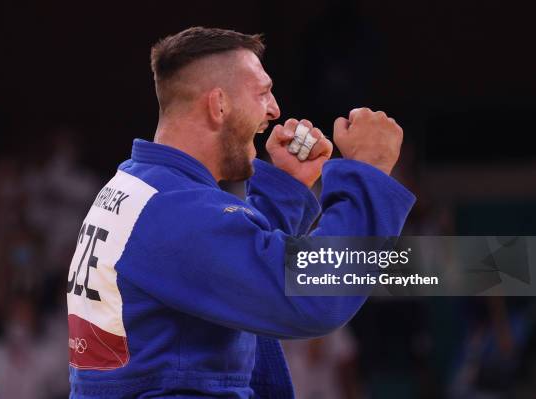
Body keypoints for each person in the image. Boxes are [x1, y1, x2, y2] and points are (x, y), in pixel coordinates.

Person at [67, 27, 415, 398]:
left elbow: (222, 274)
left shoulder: (138, 187)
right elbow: (315, 297)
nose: (275, 110)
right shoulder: (177, 212)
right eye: (262, 93)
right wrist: (369, 174)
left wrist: (286, 189)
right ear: (219, 105)